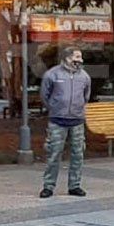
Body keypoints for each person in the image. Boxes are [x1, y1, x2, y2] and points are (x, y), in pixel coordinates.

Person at [39, 47, 91, 198]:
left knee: (78, 154)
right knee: (53, 153)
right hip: (57, 120)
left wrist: (78, 108)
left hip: (77, 120)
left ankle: (75, 185)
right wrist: (55, 108)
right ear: (67, 58)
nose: (79, 60)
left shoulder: (84, 76)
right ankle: (48, 186)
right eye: (76, 56)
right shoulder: (52, 74)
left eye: (80, 57)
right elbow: (45, 95)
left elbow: (86, 96)